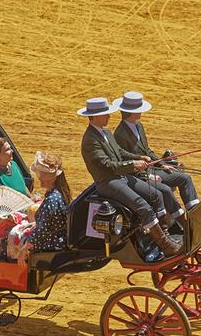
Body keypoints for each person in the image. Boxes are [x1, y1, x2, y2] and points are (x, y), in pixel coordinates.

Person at [78, 97, 182, 256]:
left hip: (121, 177)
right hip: (108, 182)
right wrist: (133, 165)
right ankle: (165, 244)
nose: (109, 116)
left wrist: (138, 158)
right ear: (95, 116)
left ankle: (166, 235)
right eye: (106, 114)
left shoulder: (105, 132)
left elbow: (120, 153)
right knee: (143, 206)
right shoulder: (90, 140)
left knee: (156, 194)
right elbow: (108, 165)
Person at [113, 91, 199, 217]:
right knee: (166, 190)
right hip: (138, 177)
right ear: (132, 112)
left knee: (185, 178)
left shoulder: (138, 126)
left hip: (151, 170)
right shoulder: (120, 134)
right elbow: (127, 165)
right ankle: (180, 220)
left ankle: (194, 212)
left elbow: (147, 151)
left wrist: (162, 164)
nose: (141, 112)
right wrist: (148, 177)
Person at [16, 152, 71, 262]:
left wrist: (25, 248)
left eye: (42, 175)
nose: (39, 178)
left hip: (49, 245)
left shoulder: (52, 199)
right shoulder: (60, 193)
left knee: (14, 236)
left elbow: (42, 231)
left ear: (52, 178)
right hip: (58, 242)